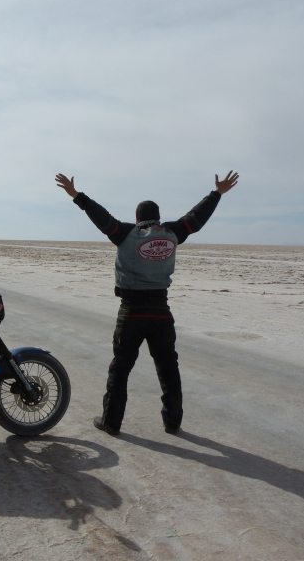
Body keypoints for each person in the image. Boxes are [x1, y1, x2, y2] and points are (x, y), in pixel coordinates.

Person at [55, 171, 239, 435]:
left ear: (137, 218)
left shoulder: (124, 233)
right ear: (158, 217)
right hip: (161, 312)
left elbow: (101, 217)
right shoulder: (173, 232)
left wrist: (76, 196)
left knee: (120, 368)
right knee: (168, 369)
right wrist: (217, 193)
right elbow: (196, 218)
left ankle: (111, 422)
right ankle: (172, 423)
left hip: (131, 313)